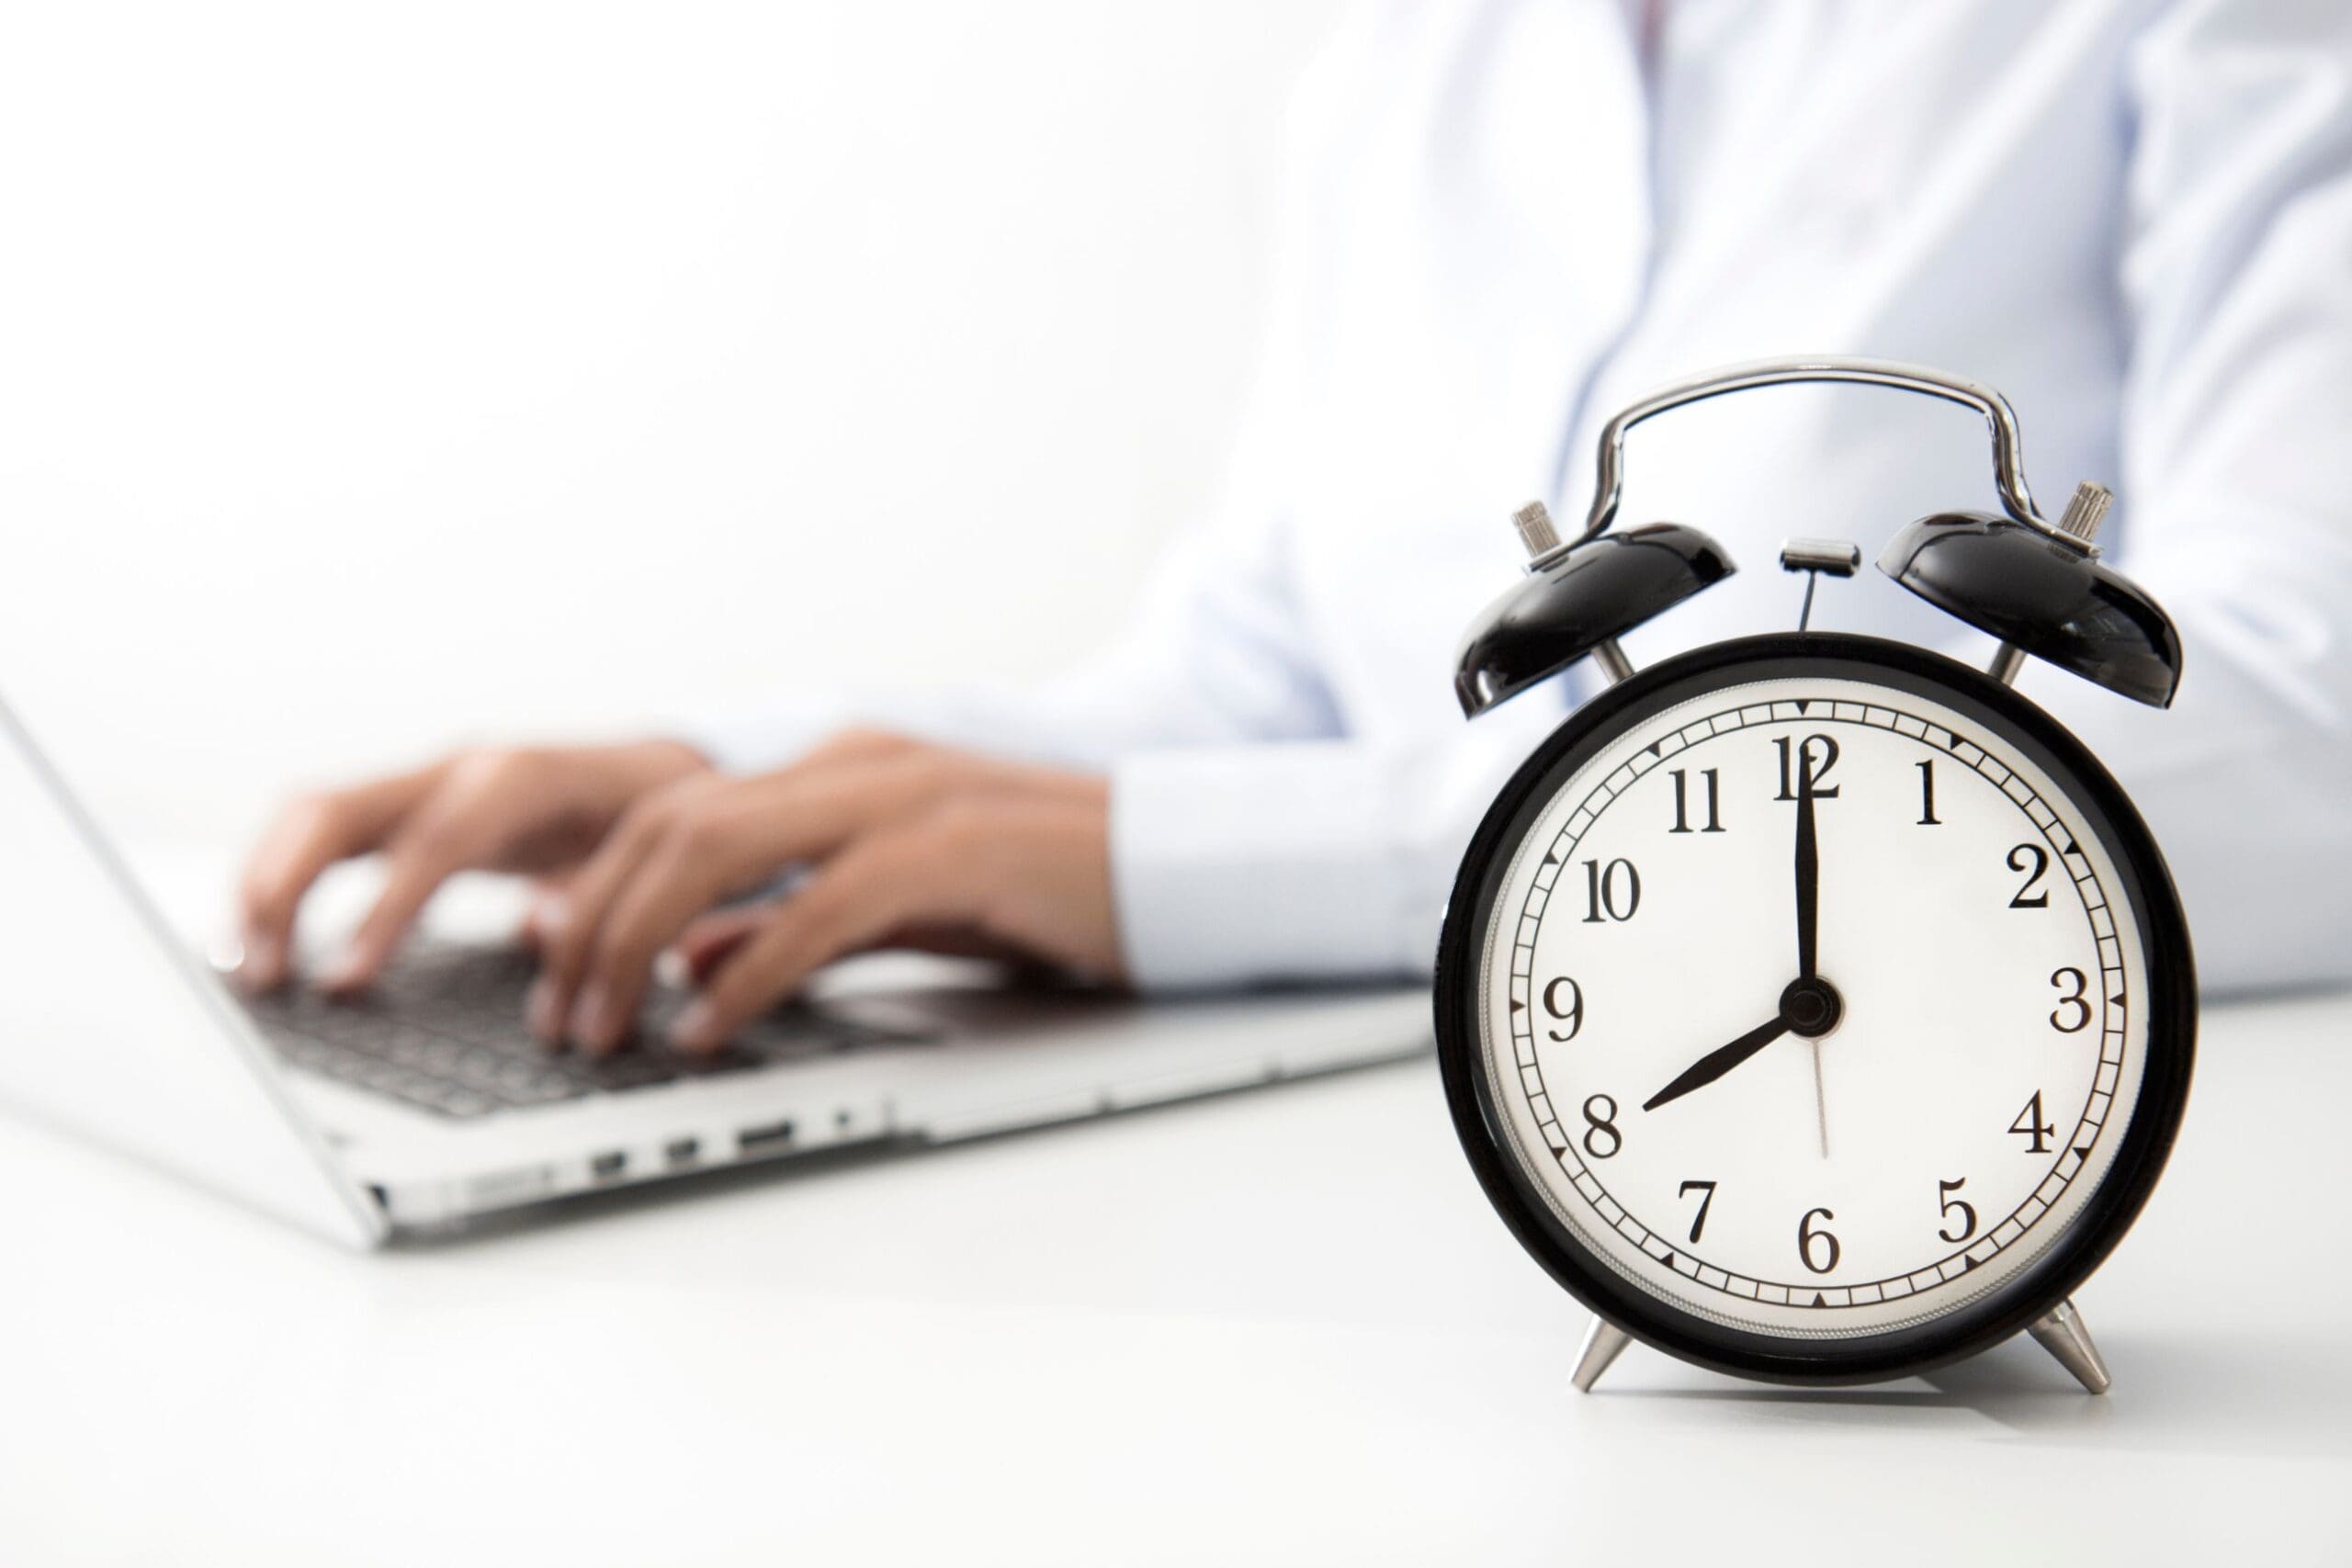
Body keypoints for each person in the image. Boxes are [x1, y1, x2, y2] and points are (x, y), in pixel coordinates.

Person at [234, 0, 2352, 1052]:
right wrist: (754, 785)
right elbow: (1278, 671)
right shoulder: (1415, 48)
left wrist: (1181, 872)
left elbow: (2298, 726)